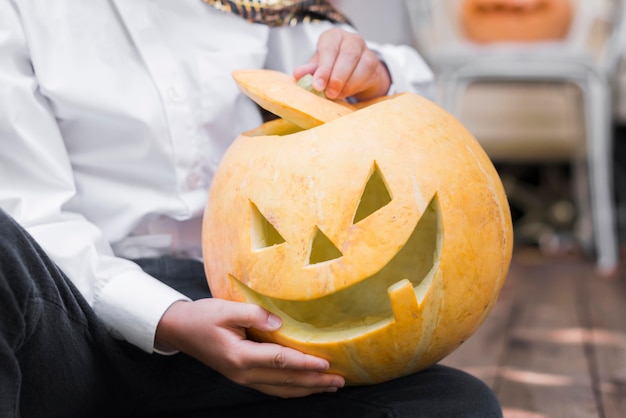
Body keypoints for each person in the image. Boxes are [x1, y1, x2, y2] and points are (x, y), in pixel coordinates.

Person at [0, 1, 503, 417]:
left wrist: (371, 76)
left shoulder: (266, 6)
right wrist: (167, 317)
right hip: (78, 324)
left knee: (455, 406)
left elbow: (410, 133)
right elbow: (32, 214)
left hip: (254, 318)